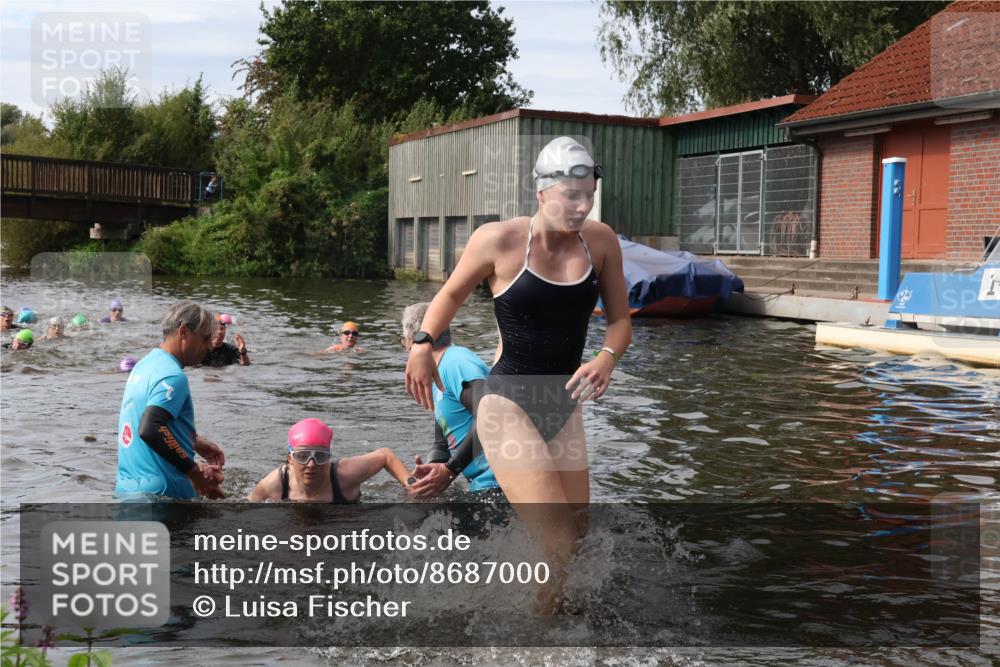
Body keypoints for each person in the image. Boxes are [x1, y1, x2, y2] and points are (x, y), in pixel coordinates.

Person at [404, 136, 631, 610]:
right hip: (507, 404)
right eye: (571, 196)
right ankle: (534, 642)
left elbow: (620, 321)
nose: (581, 206)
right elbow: (447, 296)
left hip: (561, 404)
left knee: (580, 537)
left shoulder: (602, 241)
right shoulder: (499, 240)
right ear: (542, 192)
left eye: (588, 195)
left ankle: (541, 615)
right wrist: (422, 346)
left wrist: (605, 358)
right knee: (558, 544)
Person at [115, 301, 225, 500]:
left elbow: (144, 417)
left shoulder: (144, 365)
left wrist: (193, 441)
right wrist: (194, 473)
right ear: (184, 332)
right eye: (206, 338)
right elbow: (150, 428)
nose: (210, 346)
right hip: (164, 499)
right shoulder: (173, 376)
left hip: (127, 492)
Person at [400, 302, 501, 500]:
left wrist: (450, 471)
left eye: (402, 341)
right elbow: (441, 444)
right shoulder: (438, 373)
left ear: (412, 342)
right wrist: (432, 471)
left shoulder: (455, 362)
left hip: (501, 482)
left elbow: (491, 416)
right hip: (482, 483)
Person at [248, 418, 411, 502]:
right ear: (290, 459)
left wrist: (411, 484)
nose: (311, 464)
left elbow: (385, 455)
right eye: (303, 456)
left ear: (329, 458)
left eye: (320, 456)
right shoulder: (274, 484)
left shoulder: (344, 475)